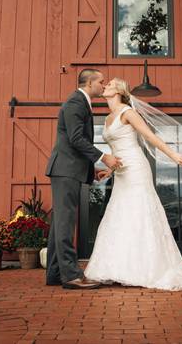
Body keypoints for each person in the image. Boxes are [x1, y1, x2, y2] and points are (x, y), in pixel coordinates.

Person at [84, 78, 182, 291]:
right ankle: (119, 267)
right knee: (121, 213)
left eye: (110, 84)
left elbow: (149, 137)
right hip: (121, 172)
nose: (105, 86)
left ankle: (146, 269)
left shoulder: (128, 113)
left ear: (120, 91)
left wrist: (173, 154)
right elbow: (118, 148)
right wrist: (109, 170)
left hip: (136, 170)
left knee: (140, 211)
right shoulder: (108, 117)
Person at [45, 69, 122, 290]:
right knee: (65, 223)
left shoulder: (81, 102)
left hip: (69, 169)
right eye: (101, 81)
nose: (103, 84)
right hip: (65, 170)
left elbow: (75, 143)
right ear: (89, 83)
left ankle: (54, 273)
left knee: (59, 223)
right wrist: (103, 157)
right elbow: (76, 138)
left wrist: (92, 168)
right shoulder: (75, 102)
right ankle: (71, 275)